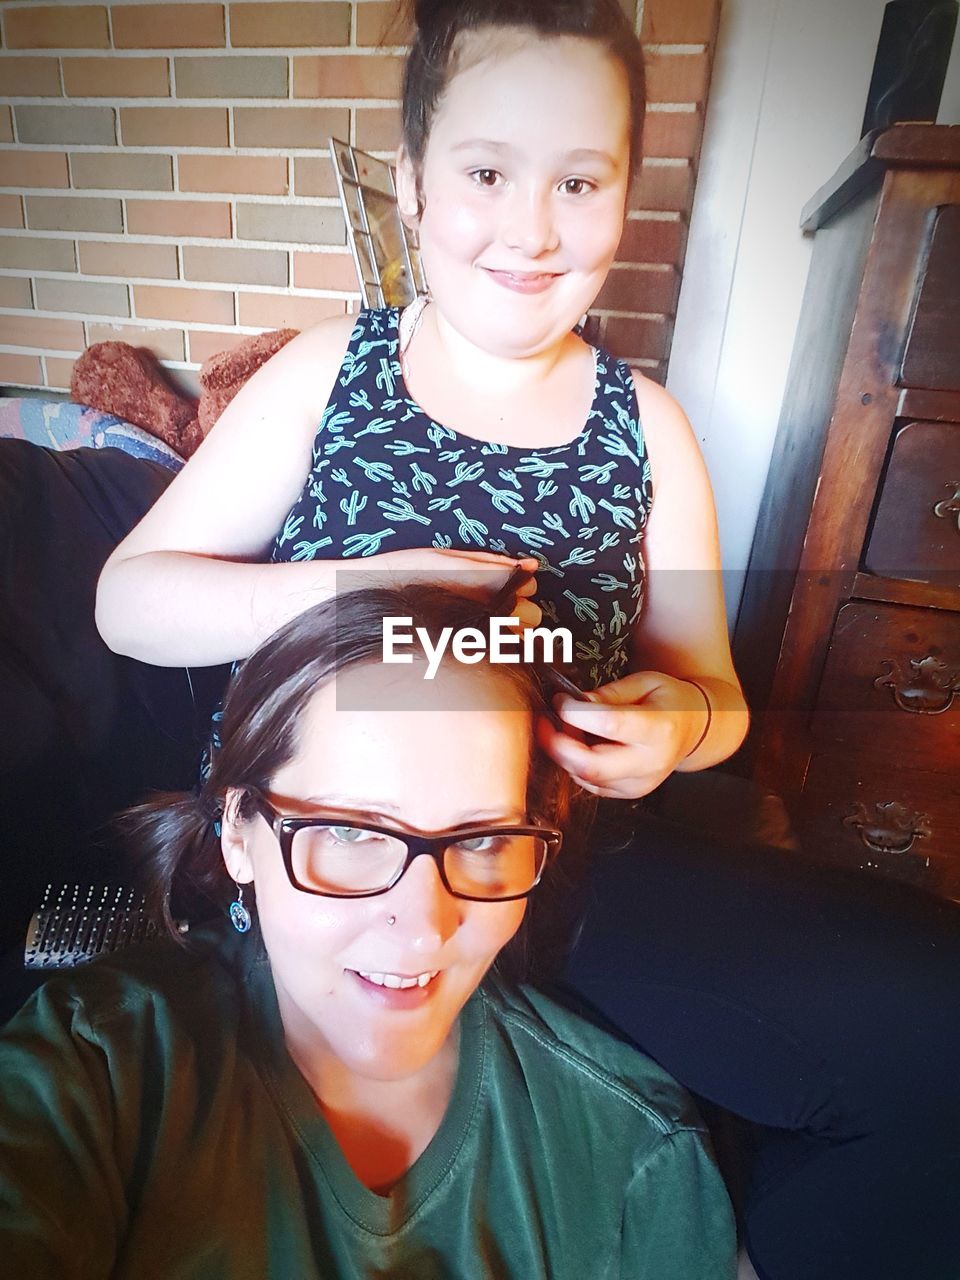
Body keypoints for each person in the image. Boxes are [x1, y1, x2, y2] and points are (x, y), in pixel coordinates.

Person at [92, 3, 960, 1278]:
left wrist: (670, 729)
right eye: (489, 172)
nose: (534, 226)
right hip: (319, 857)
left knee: (932, 1018)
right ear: (414, 185)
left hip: (551, 867)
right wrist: (356, 590)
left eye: (579, 181)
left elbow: (713, 691)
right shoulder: (335, 375)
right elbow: (130, 599)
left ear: (623, 196)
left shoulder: (647, 429)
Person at [0, 587, 736, 1278]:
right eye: (351, 834)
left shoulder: (635, 1156)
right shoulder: (95, 1070)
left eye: (482, 840)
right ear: (237, 834)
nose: (422, 932)